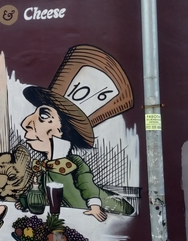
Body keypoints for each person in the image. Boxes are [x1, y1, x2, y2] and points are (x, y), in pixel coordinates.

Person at [20, 85, 134, 222]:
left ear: (62, 130)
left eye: (44, 116)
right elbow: (37, 189)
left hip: (111, 210)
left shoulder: (75, 162)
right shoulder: (43, 166)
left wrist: (94, 205)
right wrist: (24, 201)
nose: (25, 123)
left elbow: (86, 185)